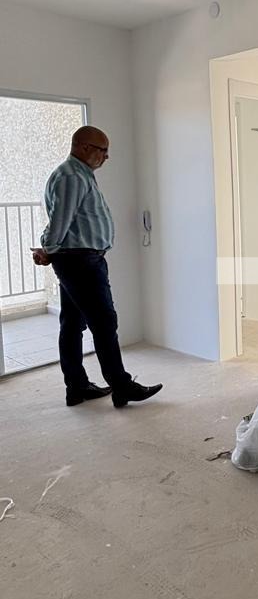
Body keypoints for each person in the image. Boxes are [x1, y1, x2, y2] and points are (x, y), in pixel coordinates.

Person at [31, 126, 162, 409]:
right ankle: (121, 386)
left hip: (80, 259)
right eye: (103, 150)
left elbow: (67, 220)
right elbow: (60, 221)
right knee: (104, 322)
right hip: (80, 261)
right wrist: (48, 249)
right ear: (84, 147)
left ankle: (77, 387)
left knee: (72, 323)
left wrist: (50, 250)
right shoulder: (71, 176)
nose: (106, 156)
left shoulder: (79, 174)